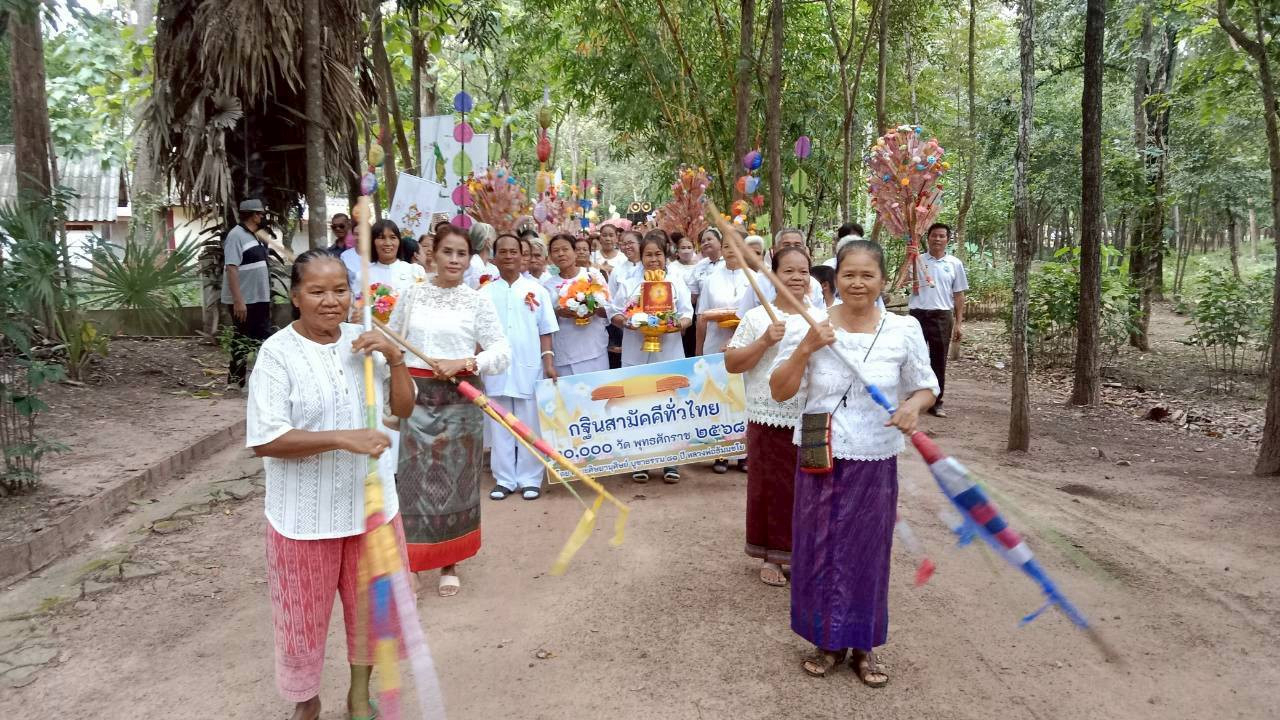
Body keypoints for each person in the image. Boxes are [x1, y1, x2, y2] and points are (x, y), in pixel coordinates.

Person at [246, 249, 416, 720]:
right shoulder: (277, 353)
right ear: (296, 296)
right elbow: (266, 439)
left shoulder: (364, 344)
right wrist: (343, 438)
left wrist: (396, 359)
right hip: (304, 516)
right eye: (317, 291)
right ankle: (306, 698)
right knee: (302, 616)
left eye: (339, 290)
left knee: (372, 608)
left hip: (371, 507)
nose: (330, 301)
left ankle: (359, 694)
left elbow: (403, 410)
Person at [768, 239, 938, 687]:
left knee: (867, 551)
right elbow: (781, 390)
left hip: (874, 457)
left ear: (883, 281)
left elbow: (926, 386)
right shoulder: (812, 324)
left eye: (868, 275)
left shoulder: (904, 330)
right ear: (835, 279)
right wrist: (806, 346)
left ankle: (863, 645)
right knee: (818, 547)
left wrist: (913, 407)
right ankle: (825, 641)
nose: (858, 283)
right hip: (818, 451)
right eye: (849, 274)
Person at [386, 223, 511, 597]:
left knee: (455, 482)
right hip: (416, 397)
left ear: (469, 259)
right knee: (413, 481)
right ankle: (412, 563)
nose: (454, 260)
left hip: (459, 399)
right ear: (432, 255)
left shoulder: (477, 300)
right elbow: (393, 342)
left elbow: (501, 353)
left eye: (462, 254)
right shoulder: (412, 295)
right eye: (447, 252)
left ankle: (449, 563)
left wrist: (466, 363)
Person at [724, 247, 817, 587]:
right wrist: (765, 341)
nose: (797, 278)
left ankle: (802, 555)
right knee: (769, 488)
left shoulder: (820, 318)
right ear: (773, 276)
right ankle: (771, 557)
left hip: (810, 415)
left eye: (803, 272)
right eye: (788, 271)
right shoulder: (756, 317)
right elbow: (732, 364)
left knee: (808, 489)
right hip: (767, 416)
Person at [611, 232, 693, 483]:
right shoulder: (628, 282)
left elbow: (688, 313)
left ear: (666, 254)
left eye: (658, 254)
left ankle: (671, 462)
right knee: (637, 405)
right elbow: (614, 312)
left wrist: (675, 324)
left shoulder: (676, 280)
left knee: (669, 404)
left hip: (668, 349)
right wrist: (627, 322)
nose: (653, 259)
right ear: (641, 255)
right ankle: (640, 460)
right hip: (636, 349)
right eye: (649, 254)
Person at [482, 233, 558, 501]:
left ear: (522, 255)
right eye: (503, 252)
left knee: (528, 425)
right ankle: (504, 479)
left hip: (529, 366)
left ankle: (530, 478)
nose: (509, 256)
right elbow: (478, 335)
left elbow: (545, 331)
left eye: (514, 251)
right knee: (500, 426)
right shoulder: (485, 292)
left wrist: (548, 363)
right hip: (495, 369)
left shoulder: (538, 290)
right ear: (494, 257)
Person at [907, 222, 967, 418]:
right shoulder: (917, 259)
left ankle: (936, 401)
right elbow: (906, 282)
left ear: (948, 239)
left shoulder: (954, 264)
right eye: (934, 235)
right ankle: (913, 399)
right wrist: (910, 258)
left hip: (942, 316)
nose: (938, 239)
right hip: (918, 314)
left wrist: (958, 322)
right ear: (928, 237)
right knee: (914, 359)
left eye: (942, 236)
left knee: (938, 360)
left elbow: (958, 294)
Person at [223, 199, 274, 390]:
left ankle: (255, 380)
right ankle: (236, 381)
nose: (262, 217)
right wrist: (238, 300)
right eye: (260, 214)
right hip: (245, 299)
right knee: (243, 337)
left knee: (257, 337)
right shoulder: (236, 236)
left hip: (258, 297)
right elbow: (231, 268)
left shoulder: (253, 236)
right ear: (253, 215)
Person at [544, 233, 611, 377]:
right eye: (555, 251)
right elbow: (544, 323)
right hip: (565, 353)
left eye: (565, 249)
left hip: (595, 350)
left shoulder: (592, 276)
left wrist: (594, 308)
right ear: (550, 257)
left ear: (575, 252)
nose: (561, 254)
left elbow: (610, 310)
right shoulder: (547, 286)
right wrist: (558, 313)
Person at [341, 219, 427, 295]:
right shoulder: (362, 276)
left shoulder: (415, 271)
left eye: (393, 237)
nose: (388, 243)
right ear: (372, 242)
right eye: (381, 238)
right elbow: (357, 307)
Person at [605, 230, 643, 369]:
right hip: (625, 327)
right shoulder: (618, 270)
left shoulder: (649, 266)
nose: (627, 247)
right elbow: (611, 300)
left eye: (630, 243)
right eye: (623, 244)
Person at [464, 222, 500, 289]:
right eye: (494, 238)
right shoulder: (470, 265)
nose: (496, 243)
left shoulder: (494, 269)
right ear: (487, 241)